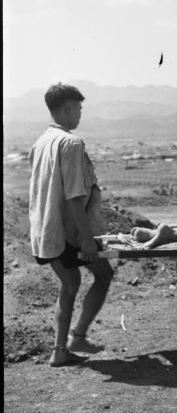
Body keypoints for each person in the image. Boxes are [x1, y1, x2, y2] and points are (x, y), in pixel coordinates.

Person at [29, 83, 114, 367]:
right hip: (70, 234)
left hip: (46, 232)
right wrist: (87, 239)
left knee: (69, 284)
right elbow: (74, 197)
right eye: (78, 108)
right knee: (102, 275)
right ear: (67, 107)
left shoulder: (40, 142)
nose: (79, 114)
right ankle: (75, 338)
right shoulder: (71, 143)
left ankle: (60, 350)